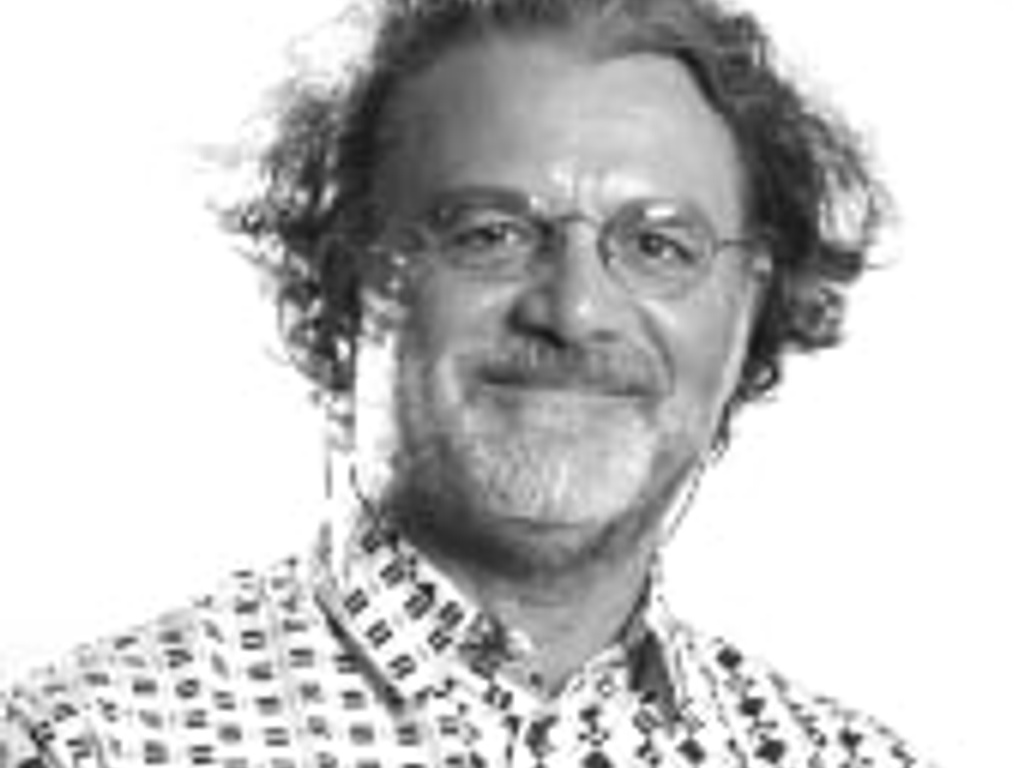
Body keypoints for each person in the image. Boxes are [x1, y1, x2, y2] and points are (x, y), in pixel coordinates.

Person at [1, 0, 936, 765]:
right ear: (344, 277)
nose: (574, 313)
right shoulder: (93, 742)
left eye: (657, 246)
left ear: (747, 306)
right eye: (489, 234)